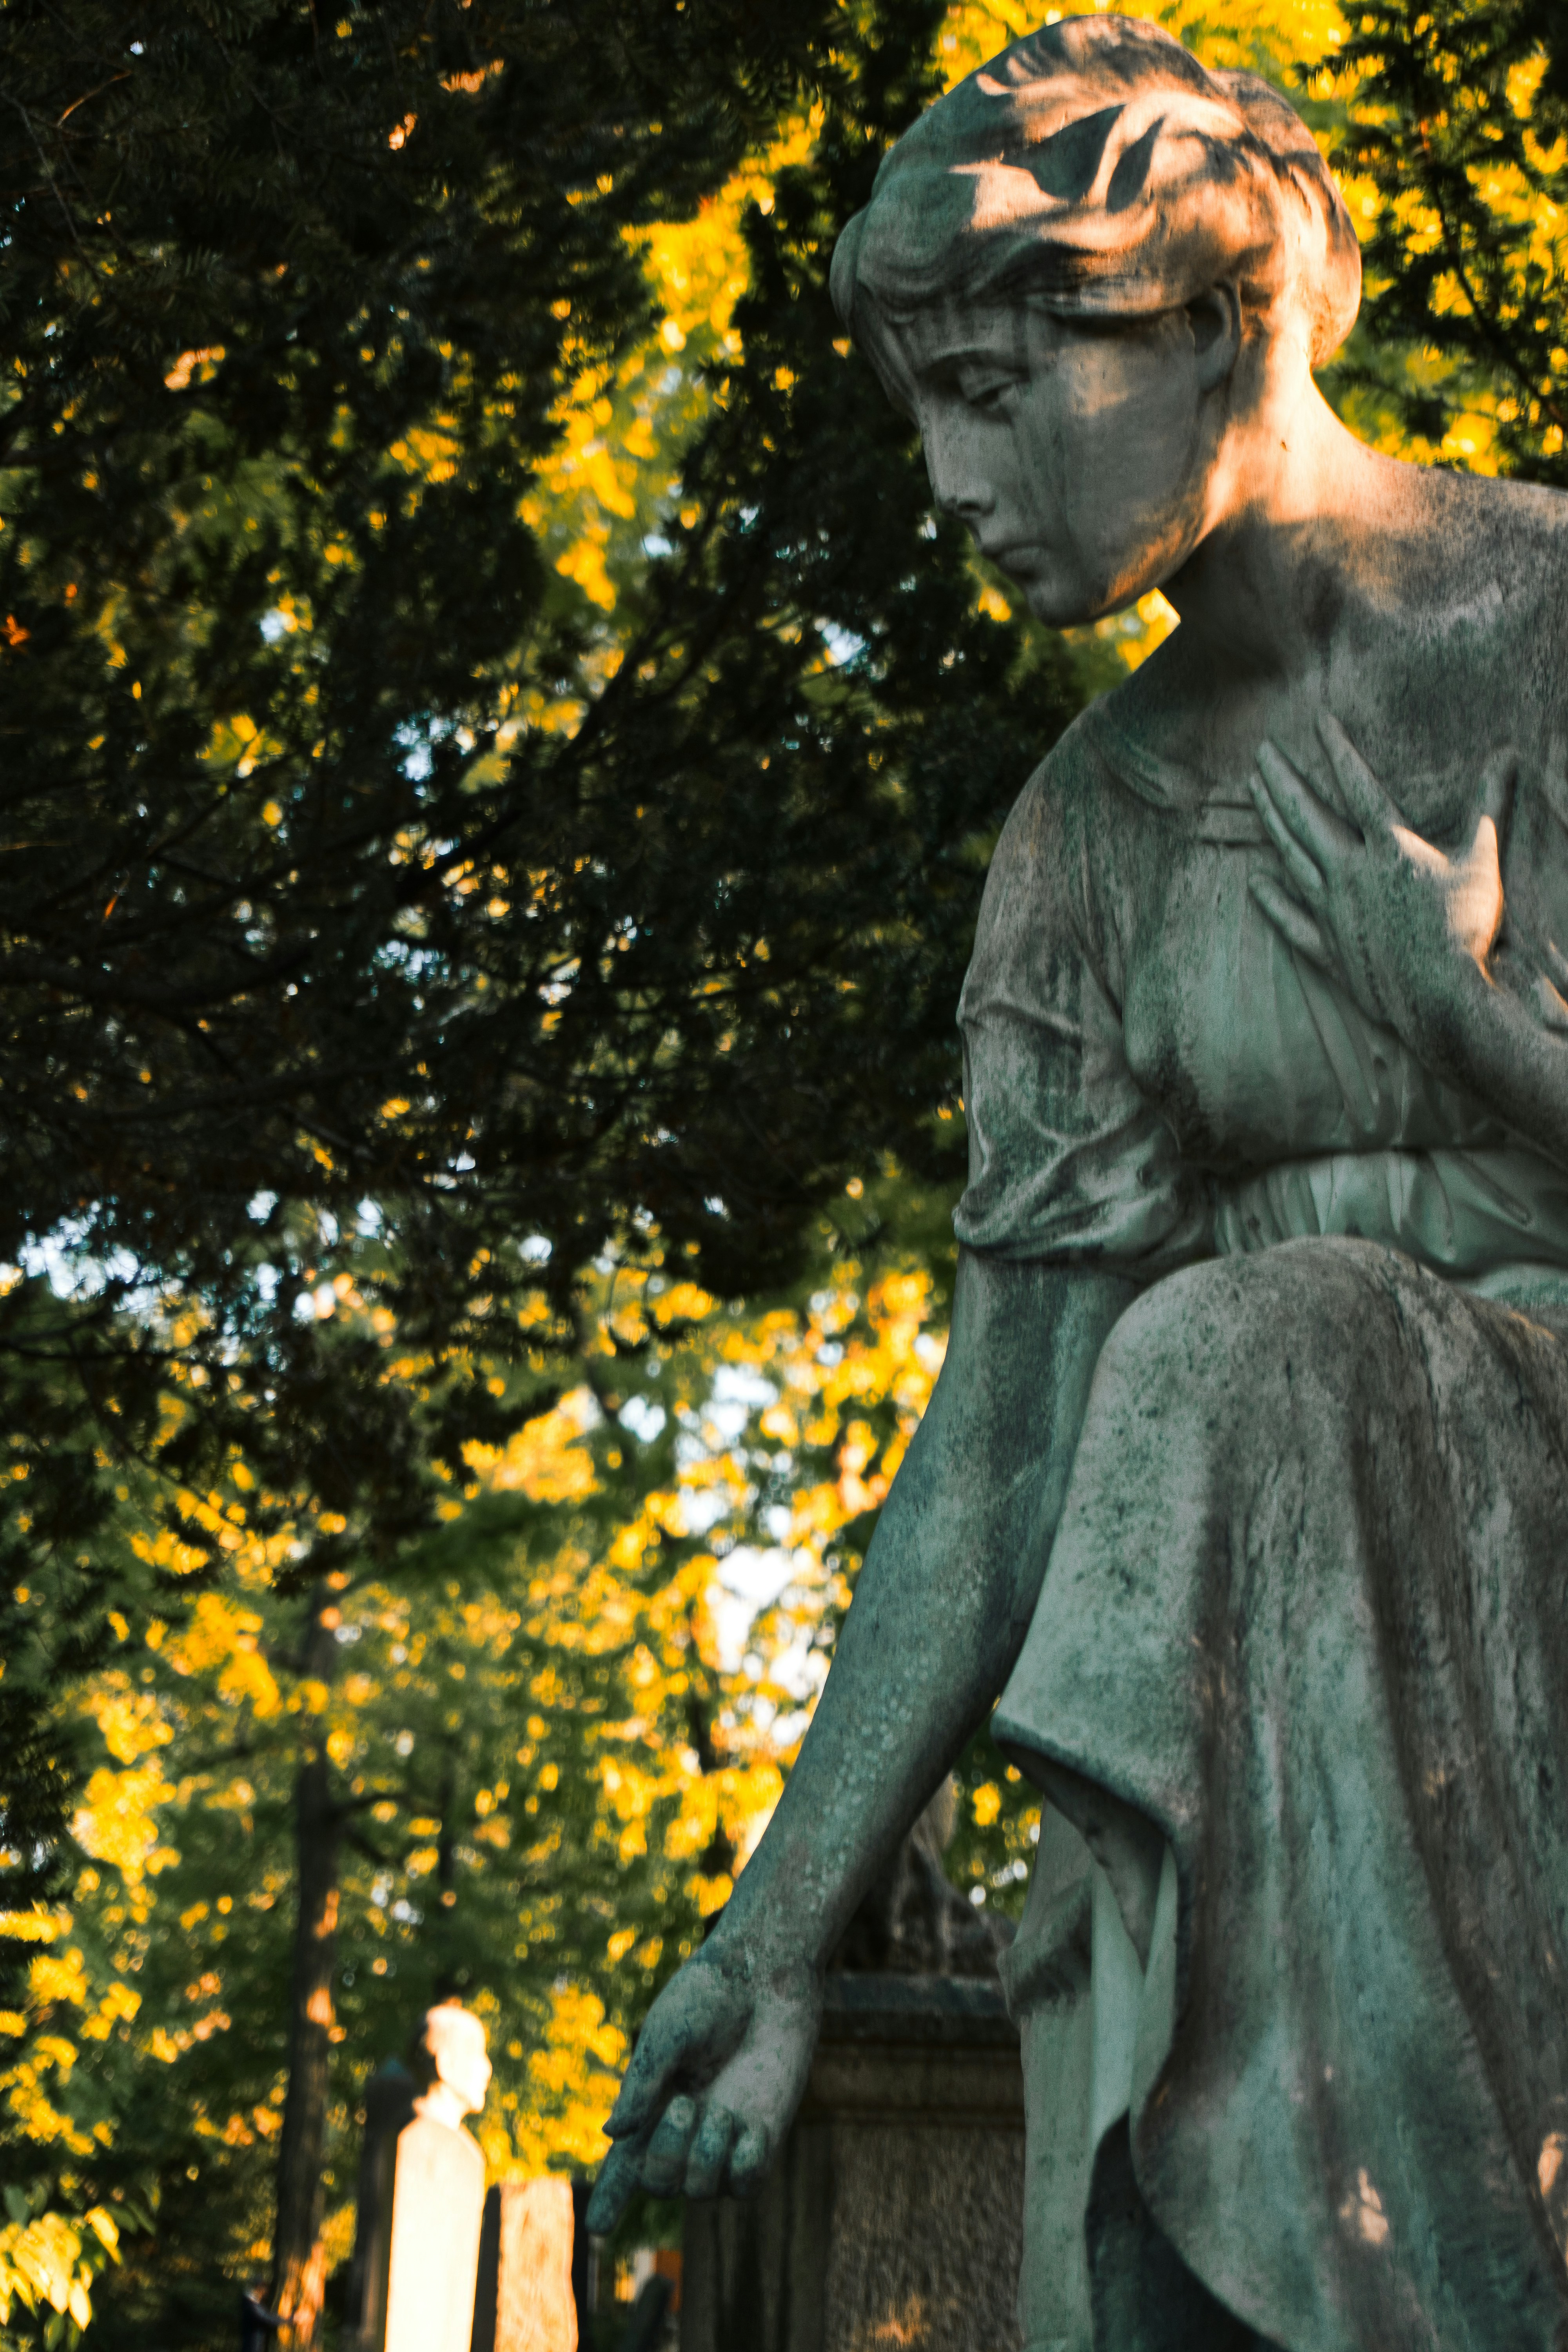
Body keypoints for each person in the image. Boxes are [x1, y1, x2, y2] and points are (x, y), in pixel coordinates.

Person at [587, 18, 1568, 2347]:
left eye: (1002, 388)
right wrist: (775, 1936)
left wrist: (1475, 1035)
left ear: (1227, 312)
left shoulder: (1550, 629)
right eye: (925, 402)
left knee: (1248, 1349)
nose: (946, 474)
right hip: (1280, 1525)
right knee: (1220, 1370)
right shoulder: (1090, 839)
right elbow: (1010, 1435)